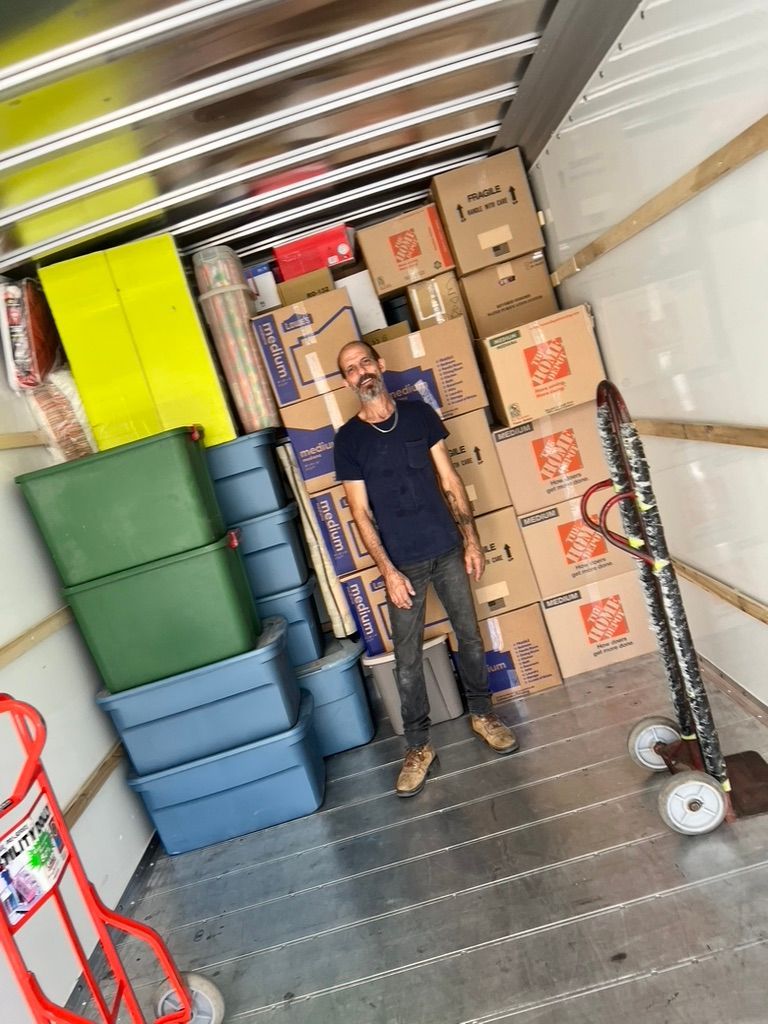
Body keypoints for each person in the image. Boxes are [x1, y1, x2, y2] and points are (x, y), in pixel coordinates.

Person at [334, 339, 519, 798]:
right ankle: (418, 746)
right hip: (403, 565)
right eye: (350, 370)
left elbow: (450, 480)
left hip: (447, 547)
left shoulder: (418, 416)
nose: (361, 373)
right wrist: (388, 572)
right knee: (408, 661)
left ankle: (483, 714)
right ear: (347, 382)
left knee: (470, 636)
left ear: (380, 365)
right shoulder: (349, 441)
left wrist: (471, 540)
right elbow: (360, 513)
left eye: (364, 363)